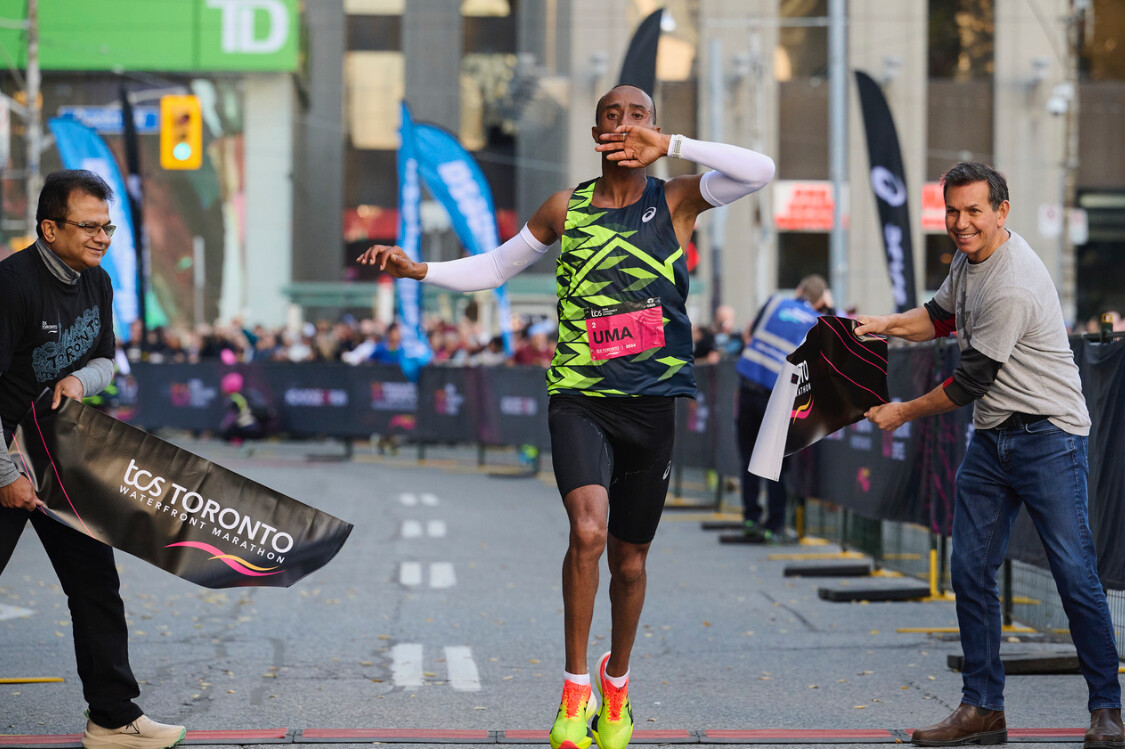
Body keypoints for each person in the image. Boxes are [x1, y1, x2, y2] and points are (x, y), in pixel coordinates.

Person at [358, 85, 775, 749]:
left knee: (629, 564)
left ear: (653, 128)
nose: (625, 125)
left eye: (638, 116)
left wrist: (673, 146)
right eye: (612, 115)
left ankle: (617, 684)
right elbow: (497, 266)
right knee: (587, 532)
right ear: (595, 131)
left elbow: (760, 171)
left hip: (652, 402)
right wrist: (422, 270)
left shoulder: (676, 198)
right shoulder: (565, 208)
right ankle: (574, 688)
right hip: (580, 396)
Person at [855, 161, 1122, 748]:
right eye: (952, 211)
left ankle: (1108, 709)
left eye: (974, 210)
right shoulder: (967, 259)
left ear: (1001, 212)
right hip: (992, 436)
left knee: (1073, 574)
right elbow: (938, 317)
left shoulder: (1012, 281)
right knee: (970, 569)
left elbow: (969, 382)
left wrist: (900, 411)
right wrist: (885, 325)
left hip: (1049, 437)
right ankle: (983, 708)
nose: (961, 222)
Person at [0, 170, 187, 749]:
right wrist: (4, 472)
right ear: (49, 228)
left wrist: (82, 380)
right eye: (89, 226)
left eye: (108, 227)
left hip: (60, 452)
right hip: (5, 451)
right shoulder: (12, 285)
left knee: (96, 585)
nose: (102, 237)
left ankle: (112, 718)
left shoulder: (97, 281)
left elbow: (107, 358)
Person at [732, 274, 832, 543]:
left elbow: (750, 332)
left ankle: (751, 519)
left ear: (798, 289)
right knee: (774, 463)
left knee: (748, 458)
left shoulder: (774, 302)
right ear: (821, 300)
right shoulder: (818, 322)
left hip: (749, 385)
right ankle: (774, 526)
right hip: (777, 397)